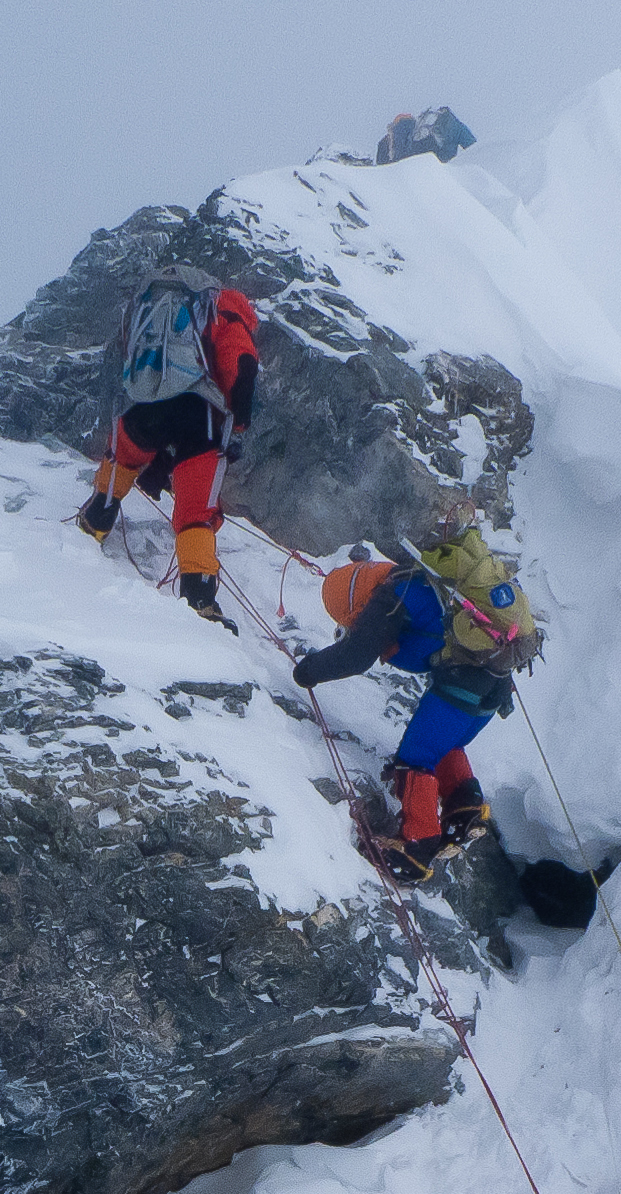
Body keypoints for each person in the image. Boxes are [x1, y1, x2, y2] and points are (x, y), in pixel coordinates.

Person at [291, 523, 538, 884]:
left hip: (462, 686)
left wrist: (308, 671)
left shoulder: (387, 599)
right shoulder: (421, 583)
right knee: (441, 742)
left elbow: (355, 656)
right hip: (495, 686)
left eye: (346, 617)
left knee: (416, 757)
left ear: (350, 601)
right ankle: (464, 811)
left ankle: (416, 848)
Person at [78, 265, 259, 631]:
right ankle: (199, 599)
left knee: (124, 457)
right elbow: (241, 365)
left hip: (148, 404)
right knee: (195, 510)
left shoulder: (157, 303)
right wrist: (237, 421)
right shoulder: (226, 307)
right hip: (200, 417)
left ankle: (94, 520)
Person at [376, 106, 477, 166]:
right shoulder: (457, 125)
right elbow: (474, 148)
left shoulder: (404, 127)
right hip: (440, 158)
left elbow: (398, 156)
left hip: (423, 152)